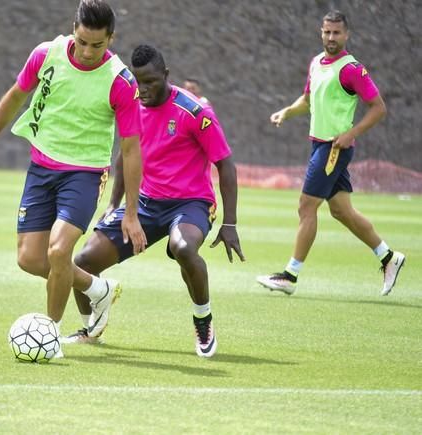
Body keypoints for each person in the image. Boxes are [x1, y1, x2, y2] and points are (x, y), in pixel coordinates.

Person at [0, 0, 147, 351]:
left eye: (98, 44)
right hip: (41, 169)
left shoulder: (121, 82)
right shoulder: (46, 54)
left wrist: (132, 212)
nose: (88, 51)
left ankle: (50, 335)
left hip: (85, 173)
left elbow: (130, 149)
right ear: (73, 29)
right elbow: (16, 96)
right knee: (30, 259)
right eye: (82, 41)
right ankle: (98, 289)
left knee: (60, 251)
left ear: (112, 38)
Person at [64, 44, 244, 358]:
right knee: (81, 262)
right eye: (138, 81)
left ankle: (203, 320)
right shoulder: (132, 106)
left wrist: (229, 223)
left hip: (192, 203)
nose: (143, 89)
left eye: (150, 81)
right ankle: (91, 325)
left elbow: (225, 165)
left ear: (166, 75)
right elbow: (124, 155)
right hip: (145, 204)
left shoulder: (194, 111)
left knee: (184, 248)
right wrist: (114, 204)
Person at [256, 11, 405, 296]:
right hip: (319, 145)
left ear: (346, 35)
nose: (331, 37)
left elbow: (379, 108)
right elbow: (308, 100)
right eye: (327, 32)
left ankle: (290, 275)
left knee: (306, 206)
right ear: (320, 32)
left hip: (334, 148)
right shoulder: (316, 62)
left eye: (336, 33)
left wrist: (352, 133)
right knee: (341, 211)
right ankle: (389, 257)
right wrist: (287, 111)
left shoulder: (352, 69)